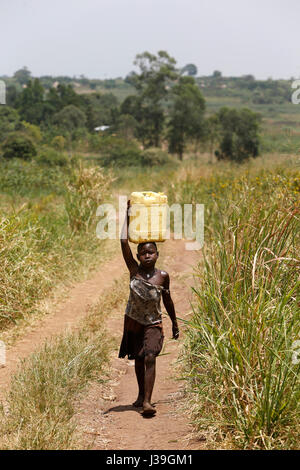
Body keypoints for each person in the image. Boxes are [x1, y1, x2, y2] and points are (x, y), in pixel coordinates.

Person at [119, 200, 179, 416]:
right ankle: (140, 394)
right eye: (143, 253)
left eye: (151, 252)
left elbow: (168, 301)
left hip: (153, 322)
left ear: (157, 255)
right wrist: (127, 214)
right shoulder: (133, 270)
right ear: (137, 257)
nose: (147, 255)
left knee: (151, 356)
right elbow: (124, 241)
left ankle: (147, 402)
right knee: (138, 357)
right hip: (134, 321)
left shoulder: (162, 276)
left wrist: (174, 322)